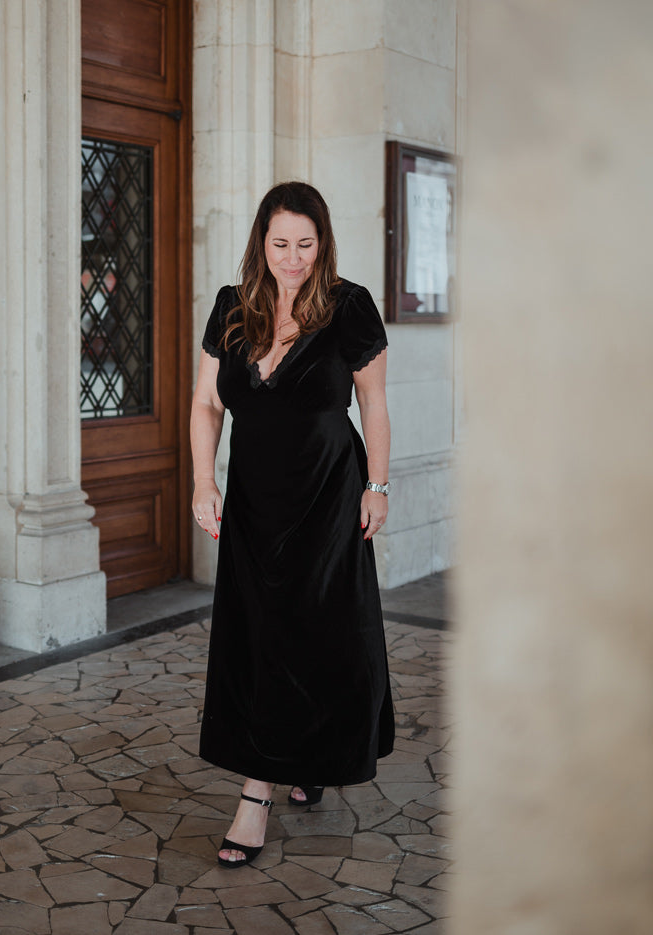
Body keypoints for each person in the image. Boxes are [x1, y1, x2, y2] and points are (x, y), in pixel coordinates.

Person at [191, 181, 395, 868]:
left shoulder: (349, 306)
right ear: (262, 242)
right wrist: (202, 479)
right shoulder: (231, 306)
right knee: (261, 632)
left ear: (323, 243)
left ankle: (275, 780)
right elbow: (205, 406)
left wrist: (378, 486)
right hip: (254, 499)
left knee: (320, 629)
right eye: (281, 244)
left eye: (305, 244)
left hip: (330, 496)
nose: (293, 257)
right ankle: (262, 784)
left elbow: (373, 403)